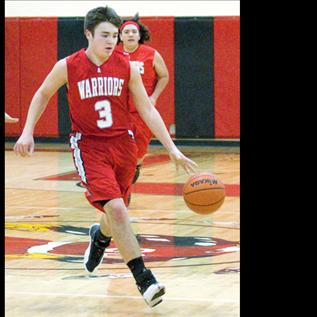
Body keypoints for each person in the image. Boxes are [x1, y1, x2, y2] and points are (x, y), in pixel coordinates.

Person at [13, 6, 198, 308]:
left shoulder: (126, 66)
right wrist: (28, 131)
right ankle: (145, 280)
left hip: (123, 144)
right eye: (105, 35)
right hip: (89, 146)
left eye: (115, 35)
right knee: (118, 208)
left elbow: (147, 109)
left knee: (118, 209)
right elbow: (43, 93)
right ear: (88, 34)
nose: (111, 41)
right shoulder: (69, 65)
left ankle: (100, 237)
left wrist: (171, 148)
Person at [117, 14, 170, 185]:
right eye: (127, 32)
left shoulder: (151, 54)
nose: (131, 34)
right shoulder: (113, 54)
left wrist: (154, 96)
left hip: (141, 112)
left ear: (139, 35)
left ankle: (132, 175)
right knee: (119, 153)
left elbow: (164, 76)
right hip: (120, 111)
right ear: (120, 36)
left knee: (137, 155)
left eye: (134, 31)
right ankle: (121, 189)